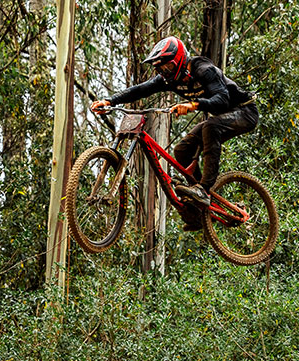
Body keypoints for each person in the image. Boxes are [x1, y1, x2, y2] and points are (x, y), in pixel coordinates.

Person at [91, 36, 258, 230]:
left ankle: (203, 190)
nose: (164, 73)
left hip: (244, 111)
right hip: (221, 117)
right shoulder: (168, 79)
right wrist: (110, 101)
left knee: (210, 127)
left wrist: (194, 105)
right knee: (182, 150)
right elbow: (140, 89)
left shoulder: (204, 70)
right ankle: (199, 210)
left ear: (179, 60)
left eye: (168, 67)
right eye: (160, 69)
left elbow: (222, 99)